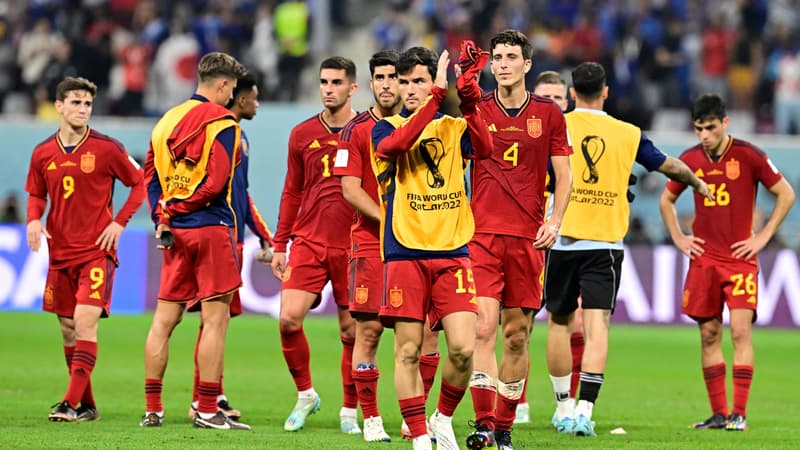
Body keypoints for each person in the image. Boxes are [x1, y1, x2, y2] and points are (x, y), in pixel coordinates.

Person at [544, 62, 711, 437]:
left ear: (571, 93)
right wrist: (696, 182)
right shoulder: (627, 133)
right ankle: (585, 410)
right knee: (597, 323)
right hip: (605, 243)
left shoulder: (557, 124)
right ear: (606, 92)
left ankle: (562, 406)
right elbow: (668, 166)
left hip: (561, 237)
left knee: (558, 321)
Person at [371, 43, 493, 450]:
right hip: (405, 250)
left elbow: (487, 149)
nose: (409, 89)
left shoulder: (453, 128)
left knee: (462, 349)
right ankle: (420, 436)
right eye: (403, 82)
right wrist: (438, 97)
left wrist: (470, 93)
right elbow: (398, 145)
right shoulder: (384, 128)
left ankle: (441, 418)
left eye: (419, 81)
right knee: (407, 350)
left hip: (452, 250)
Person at [659, 93, 795, 431]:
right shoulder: (689, 159)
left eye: (710, 128)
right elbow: (666, 200)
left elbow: (786, 194)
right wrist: (679, 237)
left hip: (739, 260)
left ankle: (740, 413)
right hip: (704, 260)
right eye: (698, 129)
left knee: (740, 330)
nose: (704, 135)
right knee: (708, 334)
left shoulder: (749, 155)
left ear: (725, 124)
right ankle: (719, 414)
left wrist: (762, 237)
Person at [465, 30, 572, 450]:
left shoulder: (548, 114)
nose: (503, 63)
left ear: (527, 65)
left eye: (512, 57)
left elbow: (564, 174)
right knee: (483, 329)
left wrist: (555, 220)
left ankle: (505, 428)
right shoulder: (477, 109)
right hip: (482, 237)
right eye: (498, 57)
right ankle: (484, 423)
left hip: (528, 240)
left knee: (515, 336)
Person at [25, 76, 145, 422]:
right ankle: (88, 405)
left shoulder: (107, 148)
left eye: (88, 103)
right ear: (58, 106)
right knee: (67, 327)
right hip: (60, 252)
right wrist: (34, 220)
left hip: (96, 251)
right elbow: (36, 193)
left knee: (84, 321)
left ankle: (69, 403)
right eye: (75, 102)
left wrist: (119, 222)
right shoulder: (43, 152)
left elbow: (139, 183)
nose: (82, 109)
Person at [141, 52, 250, 430]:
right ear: (221, 85)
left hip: (174, 232)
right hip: (209, 226)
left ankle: (153, 408)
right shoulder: (223, 123)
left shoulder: (165, 120)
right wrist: (182, 207)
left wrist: (163, 215)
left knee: (163, 321)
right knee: (215, 321)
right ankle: (206, 408)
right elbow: (217, 182)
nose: (232, 96)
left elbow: (150, 178)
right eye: (232, 89)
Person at [270, 56, 360, 434]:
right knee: (289, 318)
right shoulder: (302, 133)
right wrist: (280, 243)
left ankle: (350, 411)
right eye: (324, 82)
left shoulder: (367, 131)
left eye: (336, 82)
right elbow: (292, 190)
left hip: (354, 243)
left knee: (353, 331)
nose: (328, 89)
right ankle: (306, 394)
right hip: (308, 240)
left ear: (352, 88)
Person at [187, 73, 275, 422]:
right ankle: (202, 398)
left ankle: (212, 394)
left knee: (217, 321)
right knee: (212, 320)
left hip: (233, 236)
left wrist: (263, 233)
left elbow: (243, 194)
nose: (257, 103)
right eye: (254, 97)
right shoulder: (222, 134)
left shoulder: (240, 136)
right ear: (239, 98)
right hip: (214, 234)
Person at [529, 70, 586, 425]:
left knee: (571, 321)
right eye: (545, 97)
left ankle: (567, 403)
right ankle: (515, 402)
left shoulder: (577, 137)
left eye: (558, 98)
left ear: (568, 102)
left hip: (568, 237)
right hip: (529, 235)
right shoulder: (525, 133)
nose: (552, 103)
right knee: (518, 323)